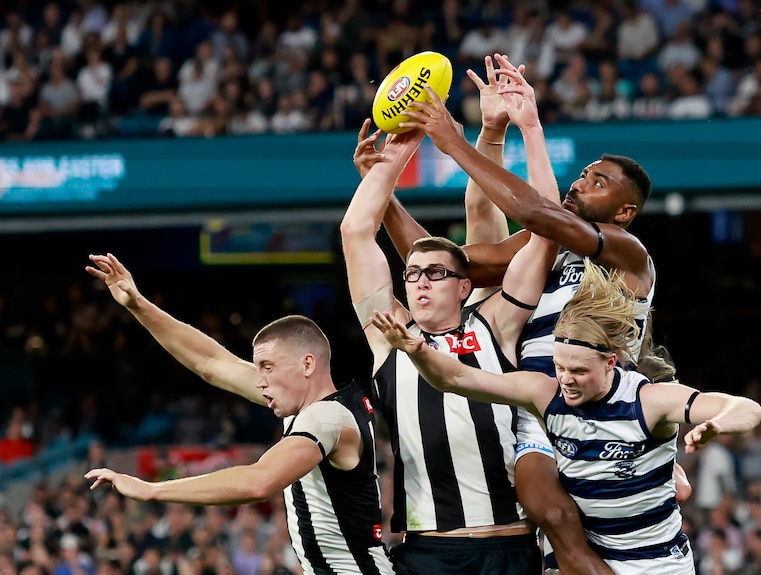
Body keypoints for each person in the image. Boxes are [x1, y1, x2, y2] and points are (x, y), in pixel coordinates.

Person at [381, 53, 687, 574]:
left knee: (631, 537)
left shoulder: (627, 252)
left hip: (608, 414)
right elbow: (445, 267)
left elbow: (535, 210)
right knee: (549, 514)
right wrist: (380, 189)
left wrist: (455, 141)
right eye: (584, 174)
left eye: (598, 181)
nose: (581, 183)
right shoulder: (541, 246)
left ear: (624, 210)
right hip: (540, 409)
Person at [371, 258, 761, 575]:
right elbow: (455, 377)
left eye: (579, 372)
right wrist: (417, 350)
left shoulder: (650, 401)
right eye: (560, 367)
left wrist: (718, 424)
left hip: (657, 563)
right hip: (590, 560)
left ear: (611, 362)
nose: (567, 380)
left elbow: (746, 407)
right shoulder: (545, 393)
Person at [339, 58, 566, 574]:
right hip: (430, 550)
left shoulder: (494, 323)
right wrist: (399, 147)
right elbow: (356, 233)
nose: (418, 279)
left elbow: (545, 230)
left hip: (512, 544)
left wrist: (523, 127)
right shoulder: (388, 336)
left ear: (466, 285)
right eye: (411, 272)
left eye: (434, 272)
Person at [84, 254, 394, 575]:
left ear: (307, 364)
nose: (259, 381)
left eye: (268, 368)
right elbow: (211, 363)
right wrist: (138, 305)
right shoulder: (315, 405)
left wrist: (153, 490)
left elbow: (258, 482)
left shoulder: (326, 419)